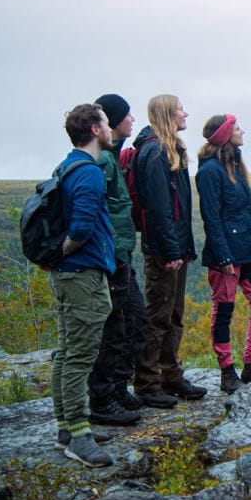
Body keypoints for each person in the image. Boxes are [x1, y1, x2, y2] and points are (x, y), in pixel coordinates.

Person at [49, 103, 116, 467]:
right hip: (82, 273)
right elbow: (81, 228)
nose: (110, 130)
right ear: (94, 129)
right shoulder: (89, 172)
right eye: (105, 123)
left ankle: (67, 428)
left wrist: (56, 260)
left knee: (66, 350)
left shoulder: (67, 165)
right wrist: (62, 253)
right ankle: (79, 436)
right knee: (79, 355)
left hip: (68, 273)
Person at [131, 94, 207, 407]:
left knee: (174, 314)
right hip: (164, 250)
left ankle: (171, 376)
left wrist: (181, 248)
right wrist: (170, 250)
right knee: (158, 316)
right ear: (167, 114)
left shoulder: (170, 149)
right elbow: (158, 208)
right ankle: (147, 384)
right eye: (180, 109)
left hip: (175, 246)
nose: (185, 113)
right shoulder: (154, 152)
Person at [195, 114, 251, 394]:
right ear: (225, 134)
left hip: (248, 251)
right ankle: (227, 372)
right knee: (224, 311)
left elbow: (246, 214)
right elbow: (211, 217)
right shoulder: (209, 171)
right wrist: (224, 256)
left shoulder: (236, 165)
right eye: (237, 128)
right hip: (225, 255)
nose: (242, 131)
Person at [84, 94, 146, 425]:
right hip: (111, 256)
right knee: (116, 327)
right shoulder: (104, 162)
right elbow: (97, 209)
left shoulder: (114, 155)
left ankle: (118, 387)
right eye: (126, 115)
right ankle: (102, 398)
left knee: (134, 320)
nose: (132, 119)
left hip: (121, 254)